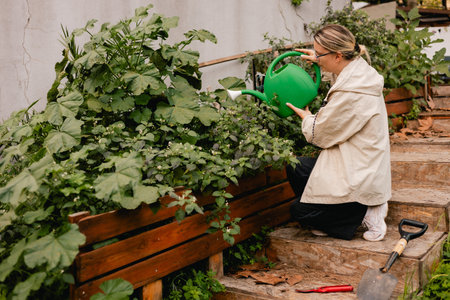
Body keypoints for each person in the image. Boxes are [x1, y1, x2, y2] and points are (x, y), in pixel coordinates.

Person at [285, 24, 391, 241]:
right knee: (296, 167)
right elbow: (340, 79)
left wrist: (306, 118)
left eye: (319, 53)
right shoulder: (357, 72)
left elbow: (321, 134)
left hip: (358, 173)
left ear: (338, 56)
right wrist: (319, 58)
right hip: (353, 161)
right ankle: (333, 217)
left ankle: (365, 212)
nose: (316, 57)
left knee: (299, 212)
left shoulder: (353, 92)